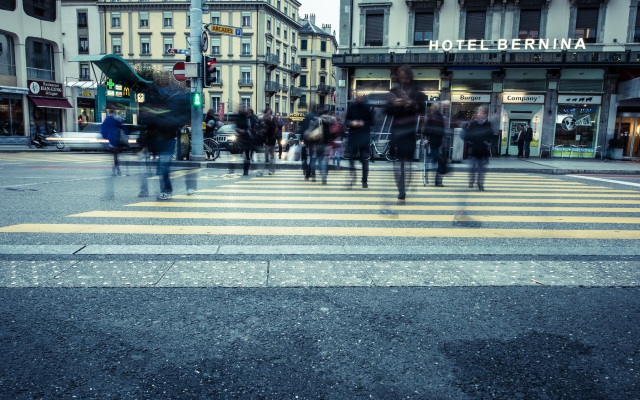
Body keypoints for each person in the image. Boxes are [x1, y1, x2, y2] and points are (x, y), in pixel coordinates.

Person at [385, 65, 427, 200]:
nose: (403, 80)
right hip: (397, 132)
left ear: (409, 77)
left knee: (406, 163)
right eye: (401, 77)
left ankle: (404, 187)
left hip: (409, 132)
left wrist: (411, 104)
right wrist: (396, 104)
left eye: (406, 77)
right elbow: (386, 111)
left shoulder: (417, 93)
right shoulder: (394, 91)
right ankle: (401, 189)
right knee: (398, 163)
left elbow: (422, 109)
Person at [345, 95, 373, 188]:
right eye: (357, 97)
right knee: (351, 158)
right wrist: (351, 123)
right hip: (353, 136)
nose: (358, 99)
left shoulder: (366, 107)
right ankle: (353, 177)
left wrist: (363, 123)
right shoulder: (351, 107)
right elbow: (346, 121)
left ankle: (364, 180)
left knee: (364, 159)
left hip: (363, 136)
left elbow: (372, 121)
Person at [463, 106, 493, 191]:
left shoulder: (488, 124)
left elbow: (491, 135)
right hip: (474, 149)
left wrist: (488, 142)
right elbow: (467, 135)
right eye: (479, 113)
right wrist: (469, 141)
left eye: (482, 113)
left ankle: (480, 184)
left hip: (483, 150)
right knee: (472, 168)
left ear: (484, 115)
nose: (480, 115)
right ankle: (471, 181)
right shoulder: (473, 124)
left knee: (481, 169)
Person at [100, 110, 129, 176]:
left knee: (115, 155)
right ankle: (118, 169)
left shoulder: (107, 119)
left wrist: (105, 136)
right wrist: (127, 133)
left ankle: (116, 169)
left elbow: (103, 127)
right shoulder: (116, 118)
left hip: (111, 139)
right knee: (117, 155)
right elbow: (122, 126)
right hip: (117, 137)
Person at [425, 102, 446, 187]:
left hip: (435, 140)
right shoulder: (436, 117)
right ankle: (438, 180)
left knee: (437, 160)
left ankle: (438, 180)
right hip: (436, 141)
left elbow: (427, 128)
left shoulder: (433, 117)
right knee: (438, 159)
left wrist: (426, 138)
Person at [235, 106, 259, 176]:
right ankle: (246, 167)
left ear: (251, 113)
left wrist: (251, 130)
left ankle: (247, 168)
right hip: (244, 138)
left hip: (251, 138)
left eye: (248, 112)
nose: (247, 113)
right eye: (246, 112)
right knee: (246, 154)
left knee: (248, 154)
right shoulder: (244, 119)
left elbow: (255, 128)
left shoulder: (253, 119)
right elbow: (239, 126)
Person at [260, 108, 277, 175]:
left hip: (272, 139)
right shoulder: (262, 120)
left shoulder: (272, 120)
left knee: (272, 155)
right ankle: (268, 168)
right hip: (266, 140)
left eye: (269, 113)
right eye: (267, 113)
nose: (268, 114)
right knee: (266, 155)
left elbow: (274, 128)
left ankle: (271, 170)